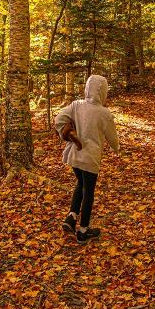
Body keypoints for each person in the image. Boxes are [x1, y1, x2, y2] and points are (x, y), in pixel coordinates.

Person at [54, 75, 119, 244]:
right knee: (88, 191)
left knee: (80, 184)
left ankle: (71, 217)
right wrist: (115, 148)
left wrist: (67, 133)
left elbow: (59, 119)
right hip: (90, 158)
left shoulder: (77, 105)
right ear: (103, 91)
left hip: (75, 156)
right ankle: (83, 231)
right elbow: (113, 139)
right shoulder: (104, 113)